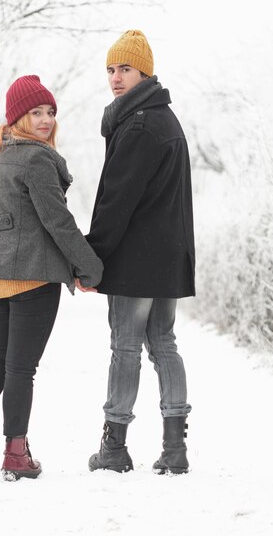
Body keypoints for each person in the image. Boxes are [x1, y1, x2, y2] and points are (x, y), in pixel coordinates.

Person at [0, 74, 103, 482]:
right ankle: (16, 453)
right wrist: (89, 267)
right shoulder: (36, 159)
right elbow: (58, 222)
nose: (46, 119)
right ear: (18, 116)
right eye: (36, 112)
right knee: (20, 368)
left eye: (51, 112)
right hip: (32, 277)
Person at [83, 30, 195, 475]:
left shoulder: (140, 124)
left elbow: (117, 200)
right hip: (167, 256)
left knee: (125, 347)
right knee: (163, 343)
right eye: (111, 69)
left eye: (125, 69)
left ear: (145, 71)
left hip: (136, 258)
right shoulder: (165, 119)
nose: (115, 77)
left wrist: (92, 258)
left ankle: (114, 447)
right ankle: (174, 448)